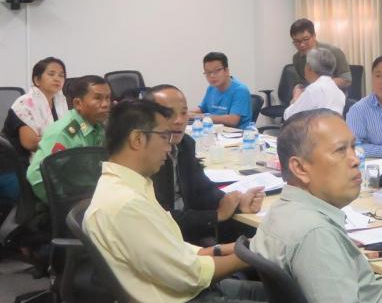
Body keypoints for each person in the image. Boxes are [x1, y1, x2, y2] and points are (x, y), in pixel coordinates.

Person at [83, 100, 265, 303]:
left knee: (278, 292)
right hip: (181, 295)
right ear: (137, 139)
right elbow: (190, 276)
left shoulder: (128, 184)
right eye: (164, 137)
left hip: (178, 286)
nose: (169, 147)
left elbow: (172, 251)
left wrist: (235, 247)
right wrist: (253, 254)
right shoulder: (126, 203)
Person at [251, 109, 382, 303]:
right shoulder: (317, 235)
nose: (355, 160)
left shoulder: (281, 210)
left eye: (353, 146)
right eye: (340, 150)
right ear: (299, 168)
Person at [146, 85, 265, 244]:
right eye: (169, 114)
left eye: (183, 112)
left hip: (190, 224)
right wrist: (217, 215)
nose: (179, 120)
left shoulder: (185, 144)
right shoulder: (147, 157)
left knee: (255, 235)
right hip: (165, 237)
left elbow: (203, 189)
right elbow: (160, 216)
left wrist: (236, 202)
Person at [27, 75, 111, 203]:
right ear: (78, 103)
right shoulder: (64, 133)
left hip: (93, 194)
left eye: (108, 98)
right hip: (73, 201)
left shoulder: (99, 126)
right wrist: (60, 204)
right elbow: (36, 176)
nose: (105, 104)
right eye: (97, 98)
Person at [1, 57, 68, 200]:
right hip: (13, 167)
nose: (57, 78)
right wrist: (63, 141)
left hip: (44, 162)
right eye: (51, 74)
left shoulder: (60, 104)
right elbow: (30, 143)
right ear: (37, 80)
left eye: (61, 75)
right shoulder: (25, 104)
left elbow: (65, 136)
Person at [191, 52, 252, 130]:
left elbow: (232, 120)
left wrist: (198, 116)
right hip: (215, 133)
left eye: (216, 71)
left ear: (226, 71)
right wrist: (183, 112)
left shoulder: (240, 90)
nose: (212, 76)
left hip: (237, 137)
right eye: (208, 72)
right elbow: (202, 109)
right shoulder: (211, 88)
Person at [283, 48, 346, 120]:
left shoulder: (313, 90)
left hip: (310, 131)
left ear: (308, 67)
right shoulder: (340, 93)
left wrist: (296, 98)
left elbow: (289, 117)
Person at [289, 18, 352, 90]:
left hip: (334, 98)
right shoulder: (297, 58)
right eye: (297, 41)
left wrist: (319, 85)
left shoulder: (333, 52)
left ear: (314, 36)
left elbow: (347, 80)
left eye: (305, 39)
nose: (302, 45)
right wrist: (297, 89)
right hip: (311, 97)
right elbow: (300, 82)